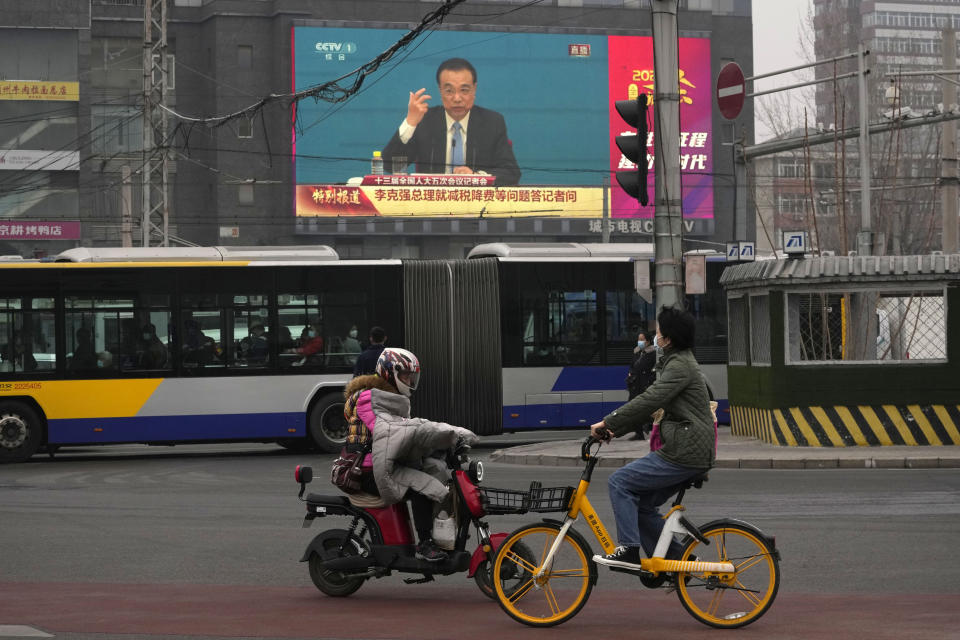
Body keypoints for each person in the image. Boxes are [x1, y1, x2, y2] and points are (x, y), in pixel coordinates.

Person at [589, 305, 715, 570]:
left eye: (657, 331)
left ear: (668, 338)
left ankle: (628, 550)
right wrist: (615, 430)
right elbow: (654, 407)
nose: (653, 335)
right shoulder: (676, 362)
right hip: (687, 448)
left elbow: (649, 399)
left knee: (619, 482)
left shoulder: (679, 365)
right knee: (643, 506)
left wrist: (607, 421)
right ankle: (679, 562)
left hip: (684, 451)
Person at [340, 347, 478, 562]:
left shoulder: (391, 398)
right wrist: (438, 432)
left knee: (436, 469)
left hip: (385, 463)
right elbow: (394, 430)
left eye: (412, 376)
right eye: (405, 375)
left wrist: (442, 443)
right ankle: (424, 544)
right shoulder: (368, 399)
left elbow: (405, 431)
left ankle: (441, 533)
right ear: (389, 373)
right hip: (364, 470)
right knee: (422, 487)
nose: (410, 380)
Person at [382, 57, 521, 186]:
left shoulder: (492, 122)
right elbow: (389, 165)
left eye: (464, 90)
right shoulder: (425, 121)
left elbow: (511, 173)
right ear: (440, 90)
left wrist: (476, 177)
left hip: (477, 206)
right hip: (432, 205)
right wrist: (410, 122)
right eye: (449, 91)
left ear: (474, 89)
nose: (457, 98)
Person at [626, 329, 657, 440]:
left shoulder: (652, 353)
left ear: (648, 341)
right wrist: (630, 374)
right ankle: (639, 432)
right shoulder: (637, 352)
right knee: (633, 409)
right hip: (635, 385)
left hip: (645, 385)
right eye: (638, 339)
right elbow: (632, 366)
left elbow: (650, 369)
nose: (639, 342)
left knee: (648, 410)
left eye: (642, 340)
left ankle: (650, 428)